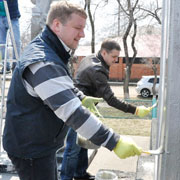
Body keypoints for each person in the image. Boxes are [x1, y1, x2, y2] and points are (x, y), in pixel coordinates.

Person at [3, 2, 143, 180]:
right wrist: (114, 141)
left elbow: (61, 84)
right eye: (78, 27)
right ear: (57, 25)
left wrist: (81, 97)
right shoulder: (44, 61)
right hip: (30, 148)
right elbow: (73, 113)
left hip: (38, 142)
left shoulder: (52, 50)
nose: (83, 34)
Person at [61, 39, 152, 180]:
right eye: (114, 57)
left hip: (83, 106)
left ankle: (80, 174)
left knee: (83, 143)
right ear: (104, 52)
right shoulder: (97, 69)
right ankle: (65, 178)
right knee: (73, 149)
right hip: (77, 109)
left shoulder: (91, 57)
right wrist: (135, 110)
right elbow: (111, 99)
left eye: (117, 57)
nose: (116, 60)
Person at [0, 0, 21, 74]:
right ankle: (6, 66)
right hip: (0, 17)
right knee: (2, 44)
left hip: (13, 17)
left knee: (16, 41)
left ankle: (16, 65)